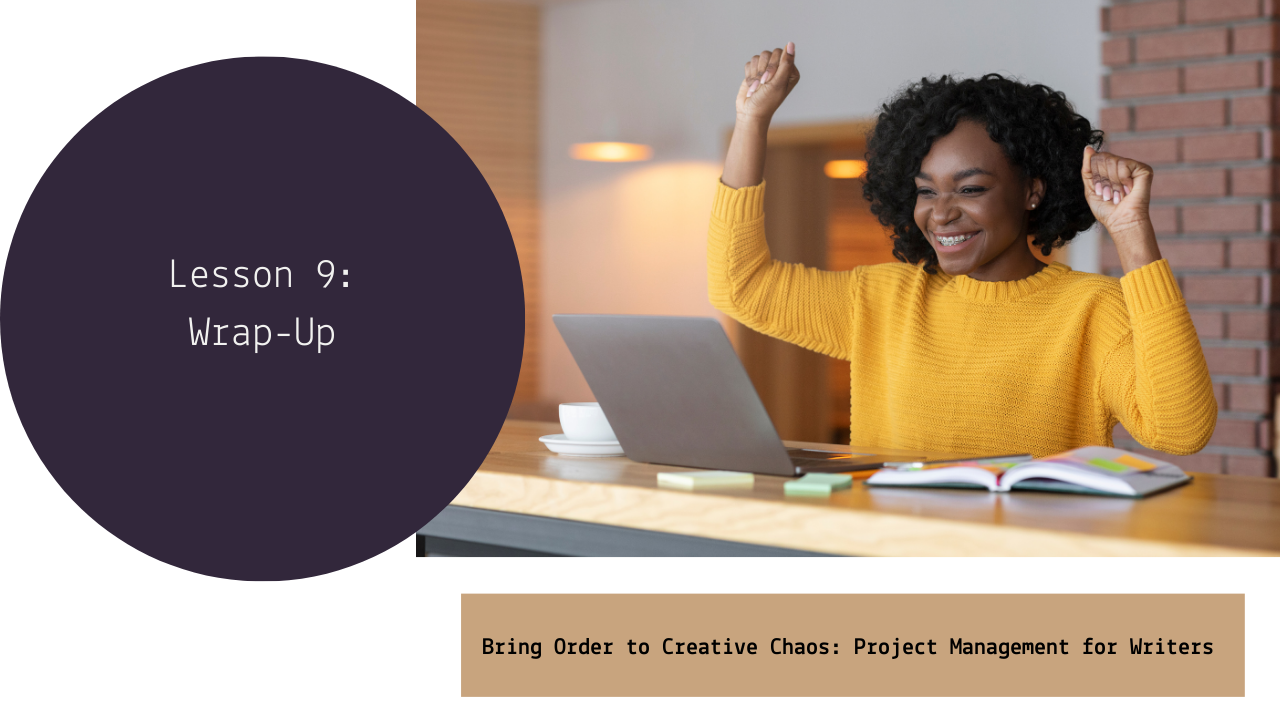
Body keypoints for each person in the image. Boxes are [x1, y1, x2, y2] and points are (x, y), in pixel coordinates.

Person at [709, 43, 1216, 457]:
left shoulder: (1092, 310)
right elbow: (740, 286)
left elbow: (1180, 430)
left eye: (970, 189)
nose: (942, 212)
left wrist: (1130, 231)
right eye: (926, 191)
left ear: (1031, 190)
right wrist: (751, 121)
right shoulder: (883, 299)